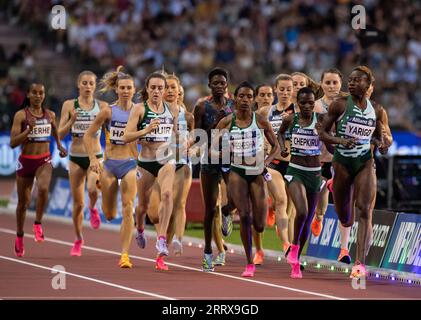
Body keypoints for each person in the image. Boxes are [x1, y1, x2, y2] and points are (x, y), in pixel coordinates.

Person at [318, 66, 391, 279]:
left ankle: (359, 264)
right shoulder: (339, 105)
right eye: (350, 80)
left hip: (364, 163)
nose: (351, 83)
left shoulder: (376, 109)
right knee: (346, 217)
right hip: (341, 164)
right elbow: (322, 132)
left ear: (368, 86)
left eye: (357, 80)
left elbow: (377, 139)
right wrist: (341, 140)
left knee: (365, 209)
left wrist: (382, 145)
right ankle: (335, 189)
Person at [211, 81, 280, 277]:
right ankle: (249, 263)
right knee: (245, 215)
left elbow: (276, 147)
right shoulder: (226, 122)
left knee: (260, 223)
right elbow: (213, 147)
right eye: (242, 96)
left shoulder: (260, 121)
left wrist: (266, 162)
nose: (245, 100)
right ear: (235, 97)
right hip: (237, 172)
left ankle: (226, 209)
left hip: (257, 172)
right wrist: (225, 151)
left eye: (249, 97)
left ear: (253, 100)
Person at [83, 66, 140, 267]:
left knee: (127, 208)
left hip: (130, 164)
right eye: (122, 88)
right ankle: (103, 207)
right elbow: (88, 135)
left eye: (129, 88)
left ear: (134, 90)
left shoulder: (139, 111)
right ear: (117, 89)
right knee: (110, 214)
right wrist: (92, 159)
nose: (125, 91)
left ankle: (125, 255)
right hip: (109, 164)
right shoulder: (108, 111)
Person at [123, 72, 176, 271]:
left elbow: (177, 134)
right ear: (147, 89)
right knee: (142, 207)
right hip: (145, 162)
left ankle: (161, 239)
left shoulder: (172, 109)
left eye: (160, 88)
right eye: (153, 87)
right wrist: (144, 131)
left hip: (165, 160)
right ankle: (139, 228)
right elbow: (127, 136)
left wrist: (188, 143)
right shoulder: (139, 109)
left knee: (168, 194)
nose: (156, 91)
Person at [10, 83, 67, 257]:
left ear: (44, 95)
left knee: (43, 189)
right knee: (23, 204)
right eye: (34, 92)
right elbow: (13, 143)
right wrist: (29, 130)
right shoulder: (21, 115)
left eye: (41, 93)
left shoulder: (50, 114)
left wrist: (59, 145)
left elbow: (55, 130)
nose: (38, 96)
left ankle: (37, 223)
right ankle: (19, 236)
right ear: (28, 94)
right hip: (26, 161)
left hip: (43, 160)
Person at [58, 70, 107, 256]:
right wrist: (71, 121)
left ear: (95, 86)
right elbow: (60, 135)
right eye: (84, 83)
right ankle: (78, 239)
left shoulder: (102, 106)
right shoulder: (69, 105)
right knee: (77, 204)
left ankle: (93, 207)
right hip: (76, 157)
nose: (87, 86)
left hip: (95, 155)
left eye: (91, 83)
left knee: (93, 189)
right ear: (78, 85)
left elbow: (111, 131)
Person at [192, 67, 235, 271]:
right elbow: (198, 139)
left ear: (227, 84)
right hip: (209, 160)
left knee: (234, 198)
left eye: (222, 82)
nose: (219, 86)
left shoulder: (235, 106)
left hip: (229, 158)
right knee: (209, 209)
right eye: (215, 83)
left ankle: (227, 212)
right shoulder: (202, 107)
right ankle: (208, 252)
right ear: (209, 85)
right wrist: (217, 122)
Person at [147, 73, 194, 256]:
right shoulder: (154, 112)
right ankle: (163, 236)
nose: (170, 91)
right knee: (153, 213)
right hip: (158, 162)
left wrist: (191, 146)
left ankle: (175, 240)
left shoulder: (187, 116)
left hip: (181, 163)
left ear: (179, 91)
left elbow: (193, 139)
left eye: (174, 88)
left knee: (178, 204)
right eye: (167, 87)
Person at [278, 87, 323, 278]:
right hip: (295, 171)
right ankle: (294, 248)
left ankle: (296, 259)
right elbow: (280, 134)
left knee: (308, 218)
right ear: (297, 103)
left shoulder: (320, 121)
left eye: (310, 103)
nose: (306, 106)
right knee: (302, 211)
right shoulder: (291, 119)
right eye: (303, 102)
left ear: (314, 103)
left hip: (315, 173)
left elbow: (329, 141)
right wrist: (283, 148)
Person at [256, 75, 293, 255]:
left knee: (291, 209)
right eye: (282, 89)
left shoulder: (300, 110)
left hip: (294, 164)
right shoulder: (265, 112)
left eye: (288, 89)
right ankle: (286, 244)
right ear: (276, 90)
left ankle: (292, 244)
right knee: (281, 199)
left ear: (293, 91)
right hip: (274, 163)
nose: (285, 93)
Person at [310, 69, 343, 237]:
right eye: (327, 83)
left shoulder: (347, 104)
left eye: (334, 82)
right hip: (320, 157)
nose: (331, 86)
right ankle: (319, 216)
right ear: (321, 84)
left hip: (340, 158)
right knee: (321, 196)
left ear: (340, 84)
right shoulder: (315, 105)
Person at [252, 84, 276, 265]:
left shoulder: (280, 115)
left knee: (282, 201)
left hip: (274, 164)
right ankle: (258, 250)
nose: (266, 98)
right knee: (256, 212)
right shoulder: (251, 118)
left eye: (269, 94)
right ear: (256, 98)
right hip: (253, 166)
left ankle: (290, 248)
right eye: (262, 94)